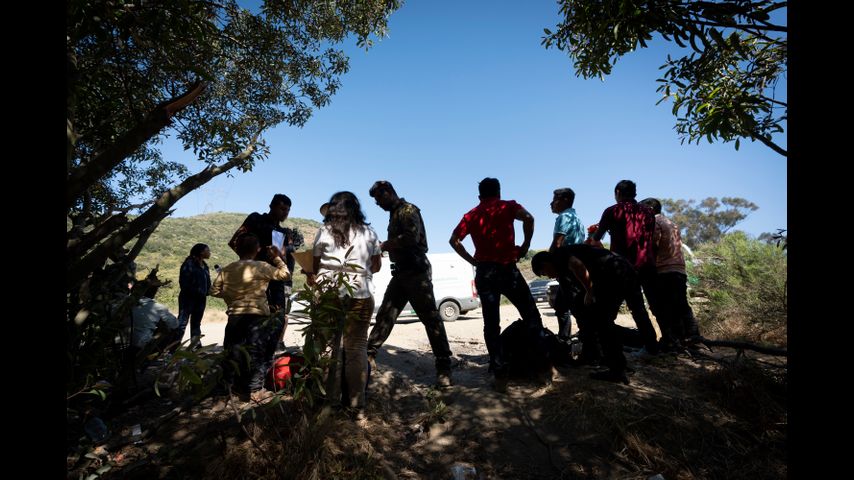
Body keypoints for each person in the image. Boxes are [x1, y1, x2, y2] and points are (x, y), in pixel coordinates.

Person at [449, 177, 544, 392]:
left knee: (491, 325)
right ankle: (543, 369)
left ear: (479, 195)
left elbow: (453, 240)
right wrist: (526, 245)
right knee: (531, 315)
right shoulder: (508, 206)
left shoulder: (471, 215)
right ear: (499, 192)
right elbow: (529, 218)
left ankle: (500, 376)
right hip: (508, 269)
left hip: (486, 272)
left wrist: (473, 262)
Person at [366, 181, 453, 387]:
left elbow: (412, 237)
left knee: (431, 320)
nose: (377, 204)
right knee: (386, 314)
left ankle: (444, 367)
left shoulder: (407, 210)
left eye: (378, 199)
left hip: (416, 272)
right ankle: (368, 356)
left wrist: (384, 245)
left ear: (388, 193)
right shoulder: (395, 214)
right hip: (401, 273)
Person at [310, 191, 382, 411]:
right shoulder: (369, 233)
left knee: (328, 347)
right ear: (355, 209)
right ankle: (356, 406)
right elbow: (377, 266)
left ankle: (329, 404)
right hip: (360, 293)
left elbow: (314, 267)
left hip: (329, 293)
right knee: (357, 348)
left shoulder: (323, 231)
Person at [532, 245, 643, 385]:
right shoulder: (563, 264)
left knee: (602, 322)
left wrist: (590, 290)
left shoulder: (559, 256)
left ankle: (617, 369)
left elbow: (577, 265)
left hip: (614, 273)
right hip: (625, 269)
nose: (548, 276)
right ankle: (618, 364)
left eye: (544, 272)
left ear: (545, 263)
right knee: (607, 321)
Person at [211, 234, 290, 402]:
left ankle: (227, 391)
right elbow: (285, 275)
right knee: (257, 353)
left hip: (235, 315)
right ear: (258, 250)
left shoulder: (227, 269)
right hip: (257, 315)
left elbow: (214, 291)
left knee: (232, 351)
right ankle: (254, 390)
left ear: (237, 249)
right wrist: (277, 258)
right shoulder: (262, 266)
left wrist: (231, 297)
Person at [588, 179, 659, 354]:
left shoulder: (613, 211)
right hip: (646, 265)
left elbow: (596, 238)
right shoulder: (648, 213)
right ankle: (653, 346)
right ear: (634, 193)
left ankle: (605, 349)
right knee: (640, 308)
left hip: (622, 267)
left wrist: (594, 234)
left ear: (618, 192)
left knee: (607, 310)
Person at [228, 194, 294, 373]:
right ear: (271, 206)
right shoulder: (256, 219)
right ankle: (238, 373)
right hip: (254, 282)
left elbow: (286, 259)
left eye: (288, 210)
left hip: (277, 282)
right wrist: (252, 263)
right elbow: (235, 241)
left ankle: (263, 370)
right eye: (282, 208)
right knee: (248, 328)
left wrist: (287, 251)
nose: (285, 213)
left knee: (276, 323)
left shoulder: (284, 232)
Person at [639, 198, 702, 349]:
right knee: (681, 306)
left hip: (664, 270)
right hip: (678, 269)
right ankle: (691, 338)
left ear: (650, 209)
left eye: (642, 210)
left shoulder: (654, 222)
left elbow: (654, 245)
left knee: (663, 308)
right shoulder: (671, 223)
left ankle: (672, 340)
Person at [548, 188, 586, 343]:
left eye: (554, 199)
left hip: (568, 269)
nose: (551, 203)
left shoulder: (564, 217)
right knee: (561, 305)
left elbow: (557, 243)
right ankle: (565, 337)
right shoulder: (575, 217)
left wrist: (549, 262)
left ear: (564, 200)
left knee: (575, 307)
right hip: (574, 267)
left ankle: (587, 341)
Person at [177, 243, 211, 349]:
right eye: (208, 250)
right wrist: (195, 292)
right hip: (188, 299)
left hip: (201, 299)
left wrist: (207, 291)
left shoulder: (204, 265)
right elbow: (184, 283)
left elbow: (207, 282)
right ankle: (173, 347)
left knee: (196, 323)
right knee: (182, 323)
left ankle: (196, 346)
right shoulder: (189, 264)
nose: (209, 252)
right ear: (201, 252)